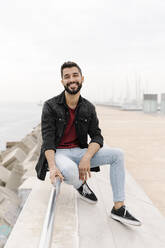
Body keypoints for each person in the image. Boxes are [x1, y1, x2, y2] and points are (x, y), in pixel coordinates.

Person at [35, 61, 142, 226]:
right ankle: (81, 186)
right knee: (70, 170)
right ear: (62, 81)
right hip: (59, 153)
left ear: (82, 78)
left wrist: (87, 157)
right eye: (67, 77)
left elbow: (97, 136)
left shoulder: (88, 107)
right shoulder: (50, 106)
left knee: (118, 155)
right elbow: (48, 141)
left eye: (75, 75)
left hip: (79, 151)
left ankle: (118, 207)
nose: (72, 79)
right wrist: (53, 167)